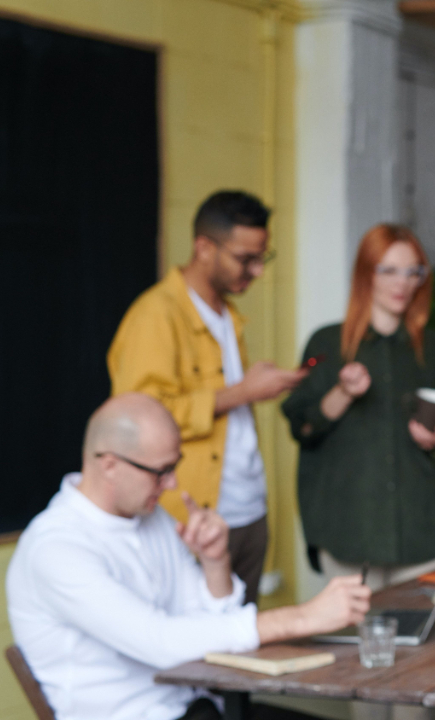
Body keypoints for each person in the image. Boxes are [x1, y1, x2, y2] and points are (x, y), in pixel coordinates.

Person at [5, 394, 370, 720]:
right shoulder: (56, 548)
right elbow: (161, 643)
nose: (173, 484)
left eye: (174, 466)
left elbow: (212, 629)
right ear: (109, 465)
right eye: (161, 471)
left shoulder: (153, 518)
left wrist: (215, 563)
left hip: (201, 705)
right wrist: (303, 617)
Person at [108, 190, 306, 604]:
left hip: (248, 509)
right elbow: (137, 422)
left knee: (240, 645)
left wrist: (253, 386)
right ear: (204, 248)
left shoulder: (228, 314)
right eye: (245, 259)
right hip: (194, 516)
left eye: (261, 258)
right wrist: (242, 392)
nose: (256, 272)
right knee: (198, 650)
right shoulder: (156, 315)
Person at [282, 224, 435, 591]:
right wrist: (343, 392)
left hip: (420, 529)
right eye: (388, 270)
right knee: (359, 645)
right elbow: (302, 427)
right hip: (349, 531)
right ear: (365, 274)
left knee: (430, 645)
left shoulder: (432, 347)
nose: (402, 283)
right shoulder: (327, 344)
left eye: (413, 272)